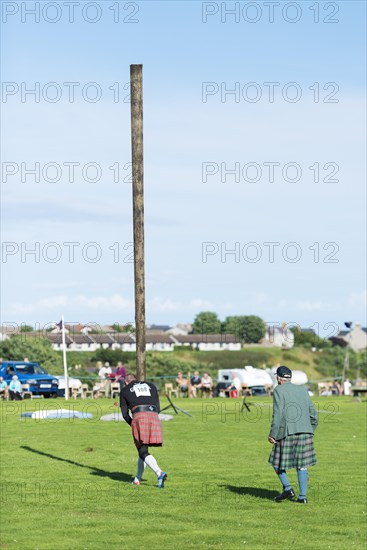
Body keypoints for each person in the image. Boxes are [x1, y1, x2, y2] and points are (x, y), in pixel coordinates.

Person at [268, 366, 318, 504]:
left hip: (288, 433)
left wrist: (273, 434)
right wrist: (309, 429)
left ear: (278, 378)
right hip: (305, 432)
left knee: (276, 461)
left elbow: (277, 415)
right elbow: (314, 414)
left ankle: (288, 489)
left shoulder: (278, 390)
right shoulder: (303, 389)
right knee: (302, 465)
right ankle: (302, 498)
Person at [120, 373, 167, 488]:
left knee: (142, 451)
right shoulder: (151, 386)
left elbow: (124, 414)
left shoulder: (125, 390)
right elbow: (158, 407)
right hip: (154, 416)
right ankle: (137, 479)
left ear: (126, 382)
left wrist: (133, 424)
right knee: (143, 450)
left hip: (140, 416)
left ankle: (159, 473)